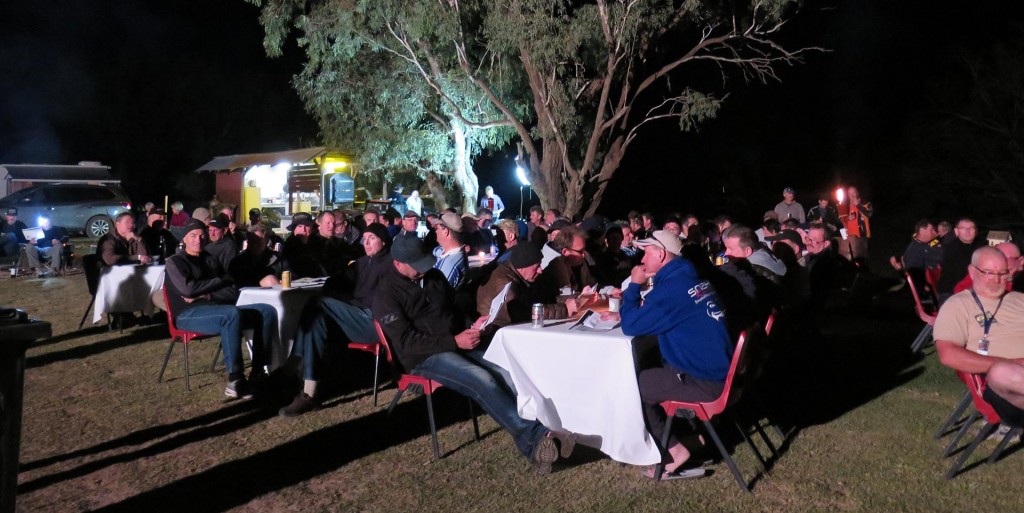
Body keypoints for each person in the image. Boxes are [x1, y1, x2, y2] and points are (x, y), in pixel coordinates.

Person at [373, 236, 576, 473]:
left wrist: (473, 324)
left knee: (507, 372)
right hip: (423, 357)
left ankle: (538, 449)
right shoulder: (385, 294)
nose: (423, 269)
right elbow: (406, 343)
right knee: (483, 380)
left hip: (458, 342)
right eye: (417, 265)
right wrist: (453, 341)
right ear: (398, 264)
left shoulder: (434, 277)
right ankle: (539, 434)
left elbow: (454, 310)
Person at [619, 229, 732, 479]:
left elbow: (630, 326)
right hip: (719, 371)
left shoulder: (673, 289)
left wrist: (634, 285)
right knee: (649, 365)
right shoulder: (689, 278)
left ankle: (674, 448)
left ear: (660, 254)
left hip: (703, 380)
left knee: (633, 385)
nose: (641, 260)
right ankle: (691, 437)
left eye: (646, 253)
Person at [279, 224, 394, 416]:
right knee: (316, 321)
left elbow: (379, 301)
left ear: (383, 241)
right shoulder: (362, 263)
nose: (366, 242)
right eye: (364, 237)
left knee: (317, 302)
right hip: (354, 316)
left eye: (372, 238)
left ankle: (290, 368)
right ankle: (309, 392)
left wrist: (345, 300)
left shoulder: (391, 265)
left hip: (374, 322)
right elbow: (334, 282)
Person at [164, 219, 278, 398]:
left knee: (266, 311)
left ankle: (258, 373)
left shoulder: (210, 260)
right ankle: (236, 379)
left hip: (215, 308)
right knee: (231, 314)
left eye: (202, 236)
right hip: (186, 314)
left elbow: (232, 291)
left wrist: (206, 294)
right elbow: (187, 289)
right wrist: (219, 282)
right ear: (185, 239)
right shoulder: (175, 262)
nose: (198, 240)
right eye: (193, 236)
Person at [935, 246, 1024, 430]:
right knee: (1002, 372)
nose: (996, 279)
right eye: (988, 273)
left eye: (1002, 273)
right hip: (1004, 391)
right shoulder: (958, 305)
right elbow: (948, 355)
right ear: (972, 271)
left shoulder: (1019, 299)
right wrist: (1015, 362)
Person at [476, 243, 577, 344]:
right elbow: (521, 314)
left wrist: (575, 298)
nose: (540, 270)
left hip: (509, 331)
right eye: (536, 266)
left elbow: (542, 297)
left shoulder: (520, 275)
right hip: (497, 336)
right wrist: (564, 309)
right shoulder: (506, 284)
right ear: (522, 267)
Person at [535, 226, 597, 299]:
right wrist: (580, 297)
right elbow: (561, 299)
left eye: (584, 250)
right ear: (565, 252)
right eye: (580, 251)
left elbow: (592, 284)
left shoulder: (582, 263)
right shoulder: (557, 268)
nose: (584, 254)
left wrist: (609, 290)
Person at [937, 218, 983, 303]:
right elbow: (962, 274)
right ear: (956, 231)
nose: (968, 231)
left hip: (975, 290)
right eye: (963, 228)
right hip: (951, 293)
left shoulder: (982, 247)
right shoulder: (950, 249)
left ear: (975, 231)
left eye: (971, 228)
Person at [228, 223, 283, 288]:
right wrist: (260, 283)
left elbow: (291, 277)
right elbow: (235, 284)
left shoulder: (278, 259)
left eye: (258, 241)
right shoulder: (238, 262)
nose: (254, 245)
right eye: (251, 241)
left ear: (266, 241)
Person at [281, 212, 327, 279]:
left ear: (312, 227)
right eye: (300, 226)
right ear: (294, 229)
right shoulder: (289, 246)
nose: (303, 230)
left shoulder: (318, 242)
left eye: (307, 226)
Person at [837, 186, 872, 262]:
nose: (852, 195)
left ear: (857, 193)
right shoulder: (845, 205)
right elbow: (841, 220)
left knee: (863, 258)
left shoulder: (864, 202)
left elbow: (869, 214)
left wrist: (858, 205)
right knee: (852, 259)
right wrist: (847, 218)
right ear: (848, 195)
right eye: (850, 193)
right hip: (849, 236)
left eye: (854, 193)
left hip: (862, 235)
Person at [432, 212, 467, 288]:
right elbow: (436, 251)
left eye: (437, 228)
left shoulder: (449, 265)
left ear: (446, 232)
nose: (435, 231)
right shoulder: (444, 251)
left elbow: (435, 295)